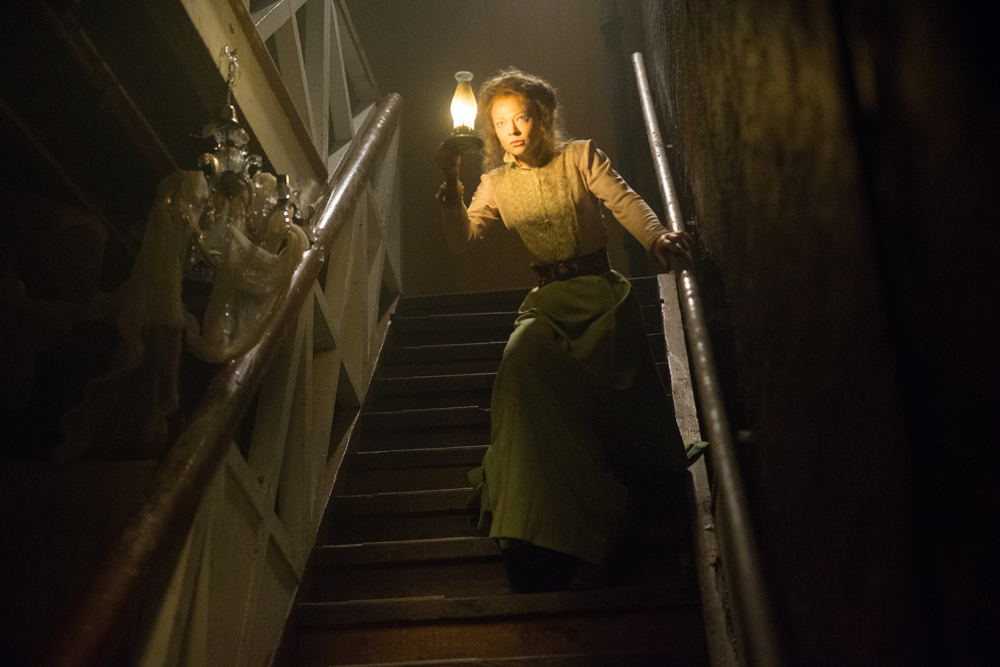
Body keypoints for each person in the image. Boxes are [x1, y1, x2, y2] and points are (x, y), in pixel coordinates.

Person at [435, 68, 692, 592]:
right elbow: (463, 239)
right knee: (520, 358)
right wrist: (451, 184)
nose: (512, 130)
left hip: (600, 296)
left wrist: (657, 238)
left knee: (593, 397)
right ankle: (539, 519)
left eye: (522, 118)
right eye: (501, 122)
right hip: (547, 303)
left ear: (543, 117)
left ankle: (614, 511)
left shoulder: (580, 157)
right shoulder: (495, 183)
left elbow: (624, 200)